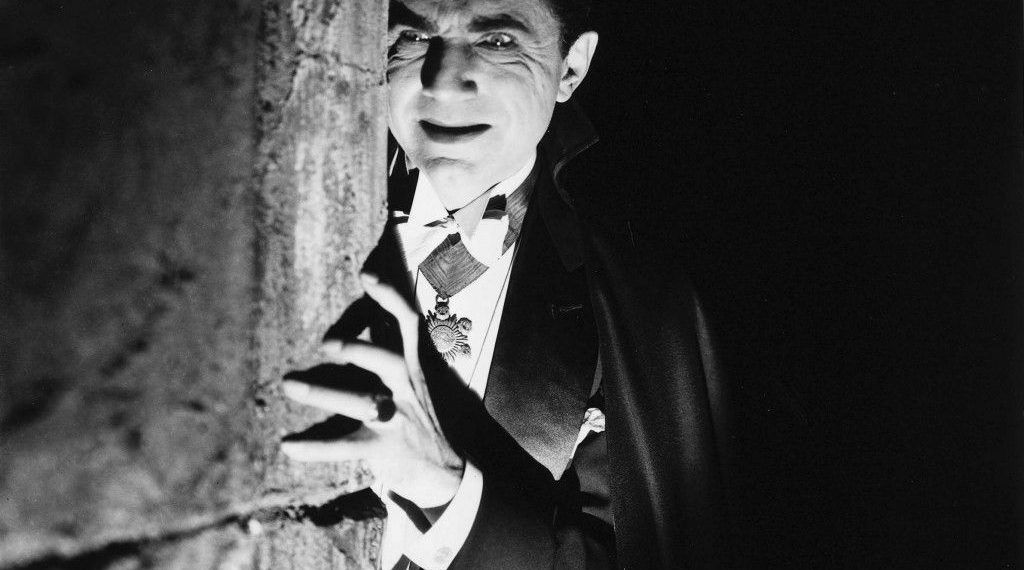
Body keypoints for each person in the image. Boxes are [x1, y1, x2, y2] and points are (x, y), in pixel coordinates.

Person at [280, 0, 736, 567]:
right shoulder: (285, 226)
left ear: (570, 68)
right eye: (414, 38)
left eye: (496, 41)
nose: (442, 83)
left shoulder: (644, 310)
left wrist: (450, 496)